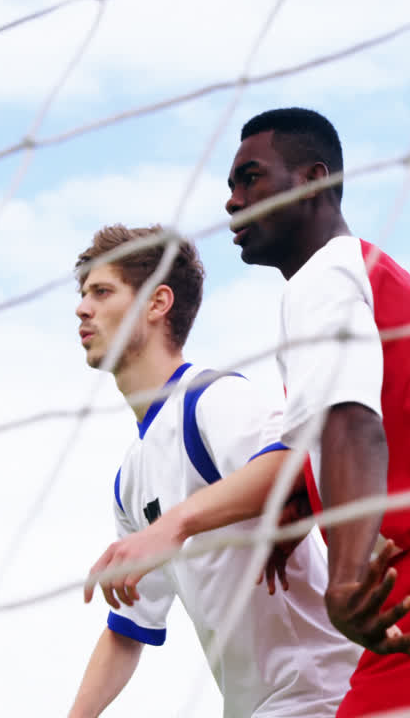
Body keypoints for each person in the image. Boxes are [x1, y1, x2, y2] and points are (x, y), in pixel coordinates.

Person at [85, 109, 410, 717]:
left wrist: (344, 574)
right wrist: (303, 500)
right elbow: (376, 419)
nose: (233, 202)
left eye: (250, 179)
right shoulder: (374, 272)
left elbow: (354, 423)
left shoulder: (321, 278)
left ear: (313, 180)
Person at [66, 224, 376, 718]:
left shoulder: (212, 398)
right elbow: (127, 631)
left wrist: (175, 524)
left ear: (157, 303)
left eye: (101, 291)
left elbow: (295, 462)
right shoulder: (131, 477)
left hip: (322, 693)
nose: (82, 308)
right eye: (82, 294)